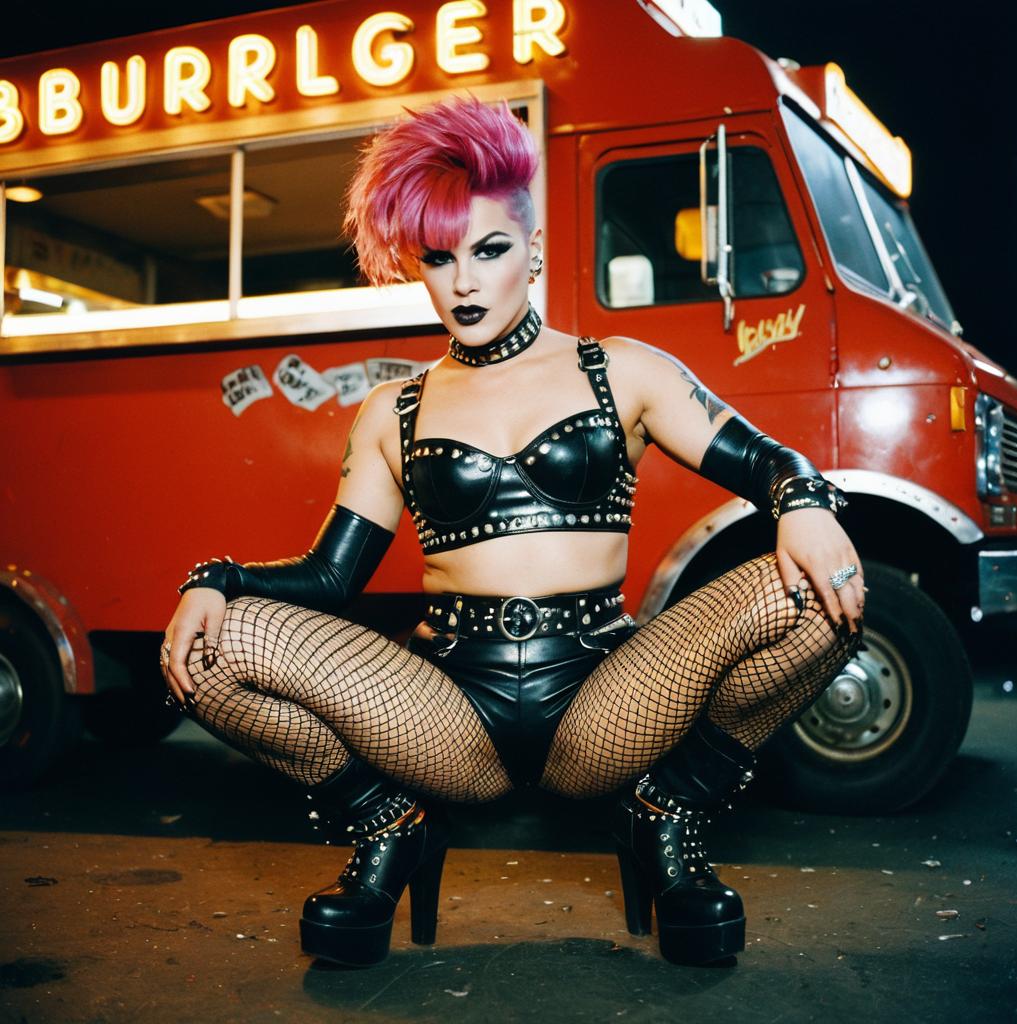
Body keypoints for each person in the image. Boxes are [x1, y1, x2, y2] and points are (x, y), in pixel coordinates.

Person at [160, 97, 865, 969]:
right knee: (209, 651)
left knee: (817, 596)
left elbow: (768, 460)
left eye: (489, 251)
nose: (463, 282)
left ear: (532, 251)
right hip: (447, 710)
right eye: (439, 258)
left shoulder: (625, 371)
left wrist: (806, 502)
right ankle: (388, 827)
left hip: (608, 698)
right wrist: (215, 579)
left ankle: (668, 814)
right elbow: (328, 579)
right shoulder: (395, 409)